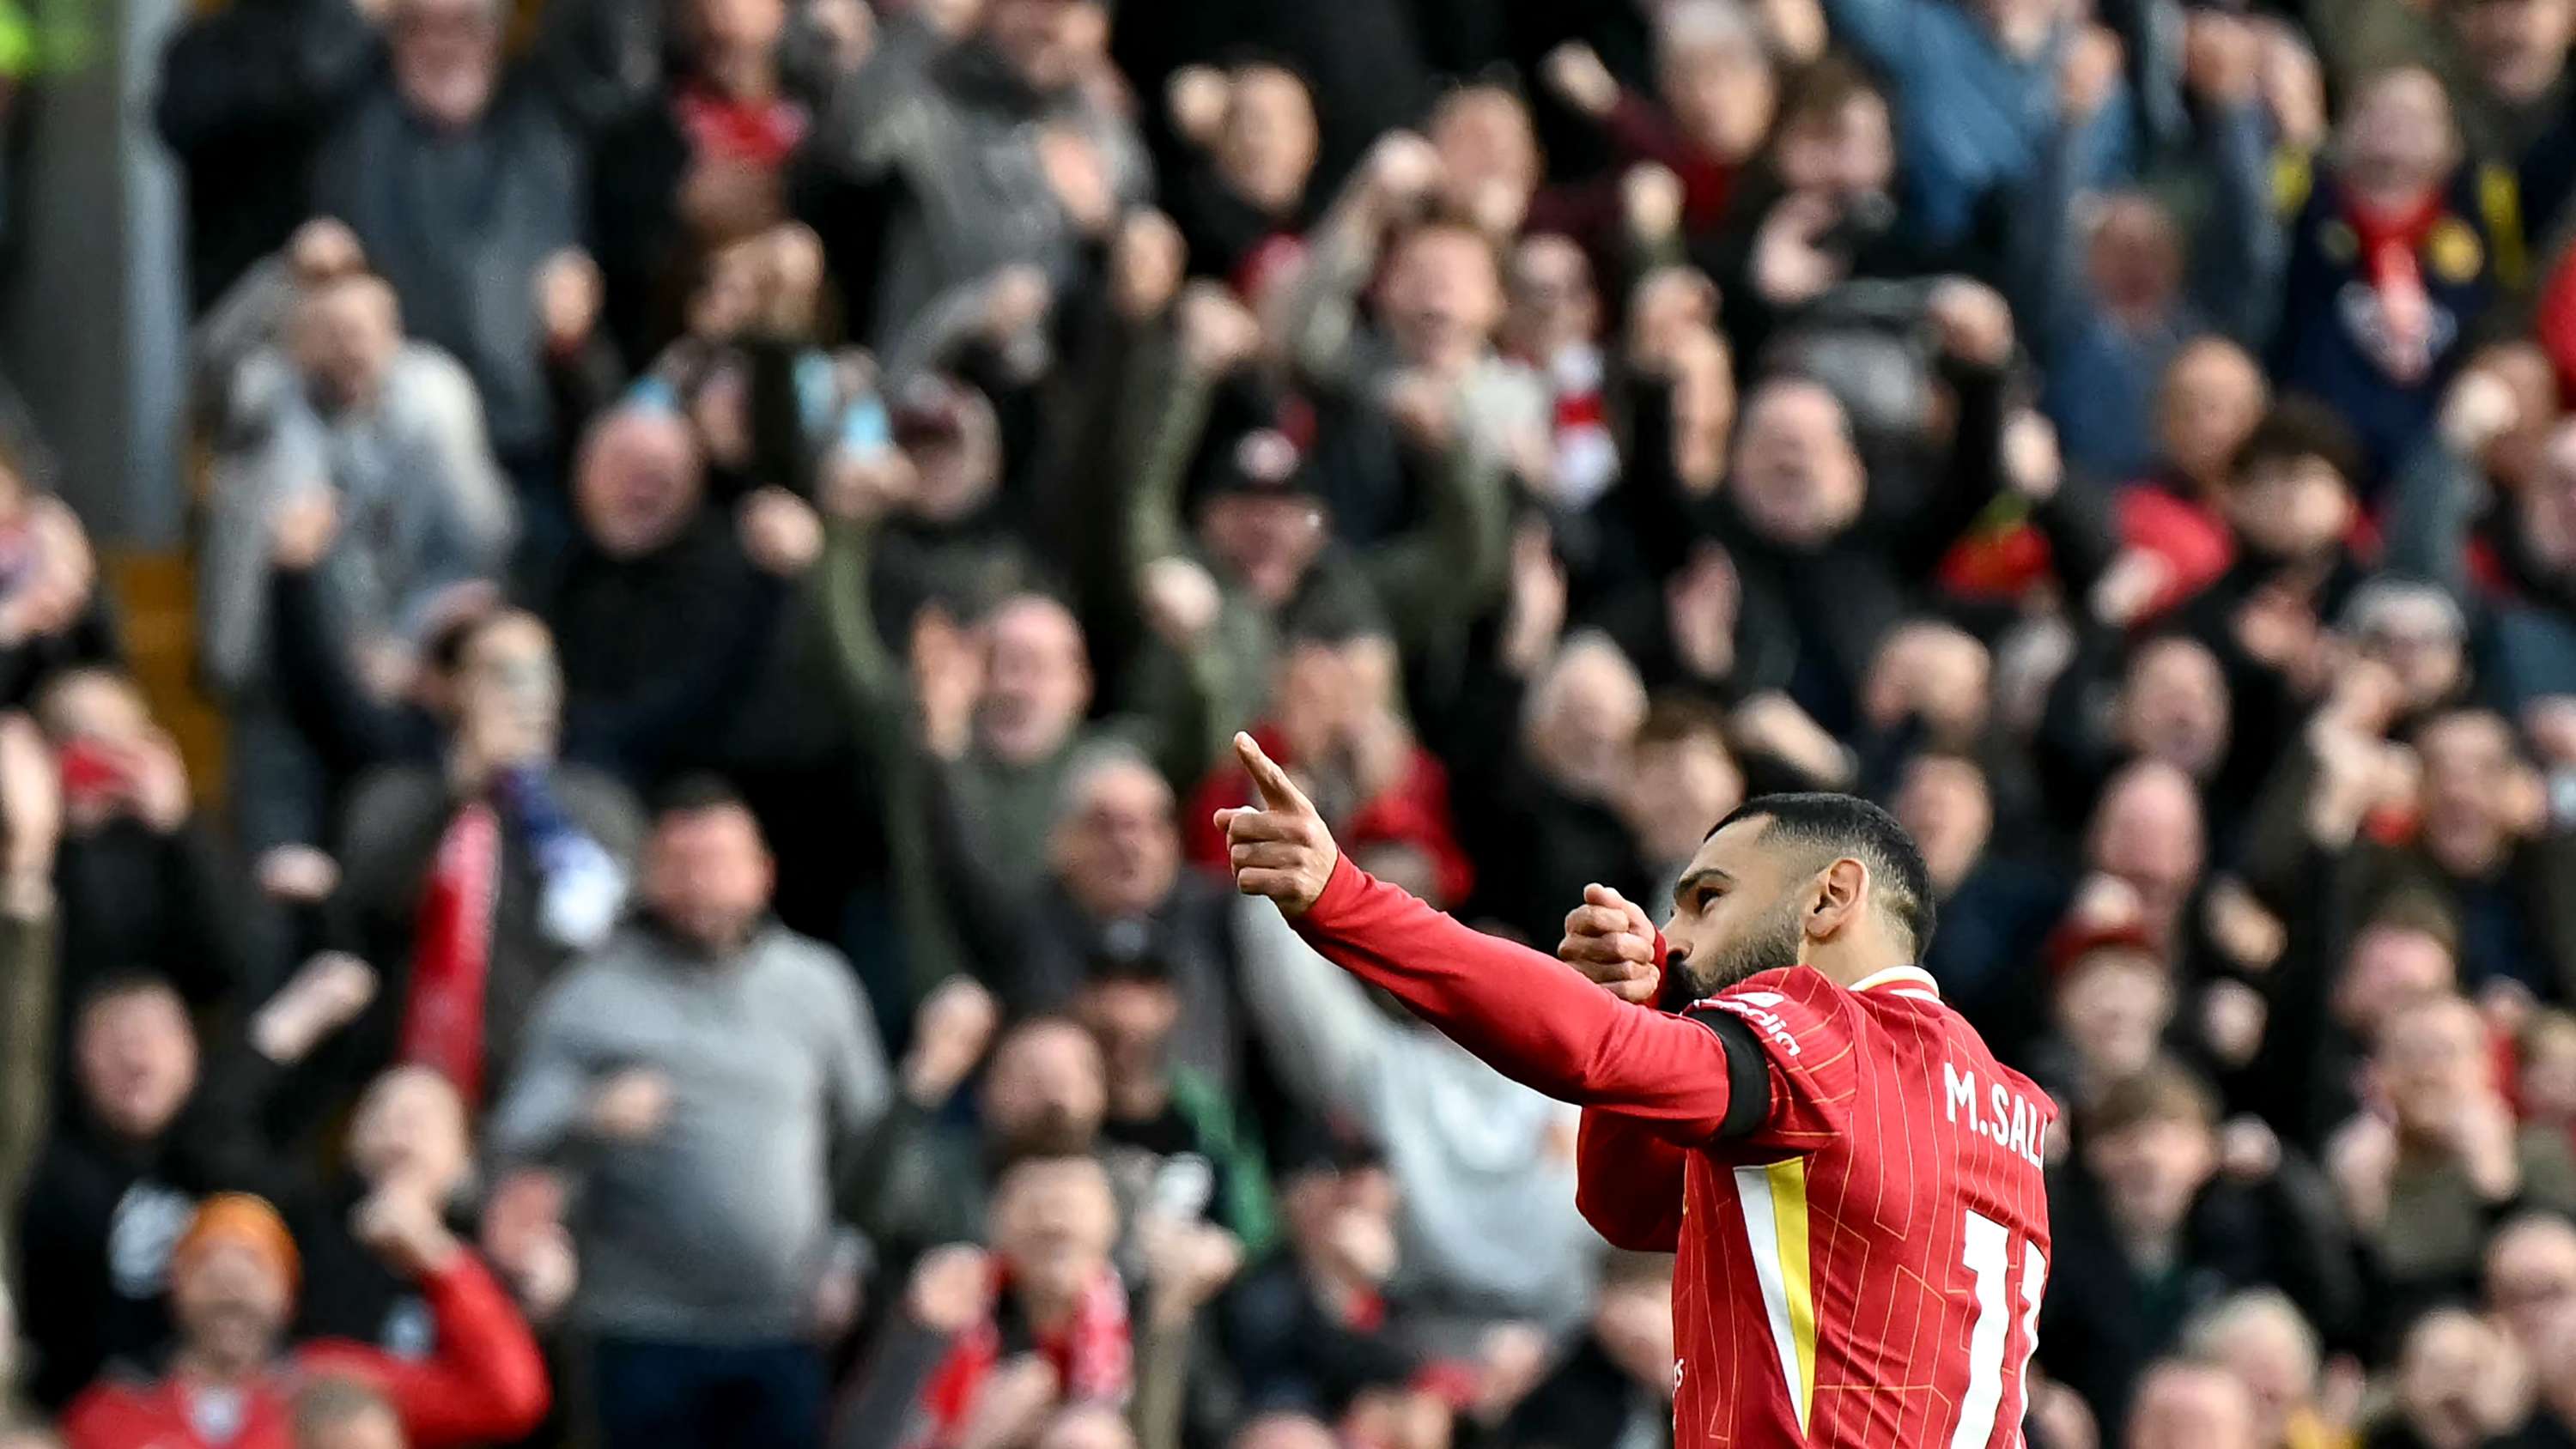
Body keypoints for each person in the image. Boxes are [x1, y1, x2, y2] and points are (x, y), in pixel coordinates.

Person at [1218, 729, 2054, 1446]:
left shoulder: (1822, 1034)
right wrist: (1657, 1002)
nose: (1677, 935)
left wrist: (1346, 897)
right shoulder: (2001, 1098)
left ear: (1830, 898)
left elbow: (1586, 1048)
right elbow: (1632, 1207)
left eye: (1708, 899)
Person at [487, 779, 889, 1449]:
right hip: (638, 1328)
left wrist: (848, 1256)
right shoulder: (591, 995)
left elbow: (872, 1144)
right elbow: (511, 1144)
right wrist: (588, 1117)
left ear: (763, 874)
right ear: (649, 877)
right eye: (681, 866)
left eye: (719, 864)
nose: (700, 885)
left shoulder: (818, 986)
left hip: (786, 1326)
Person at [58, 1191, 549, 1449]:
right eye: (208, 1267)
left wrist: (441, 1260)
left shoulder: (335, 1386)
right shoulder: (110, 1411)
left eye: (254, 1267)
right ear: (174, 1292)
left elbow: (506, 1396)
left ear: (289, 1296)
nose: (231, 1286)